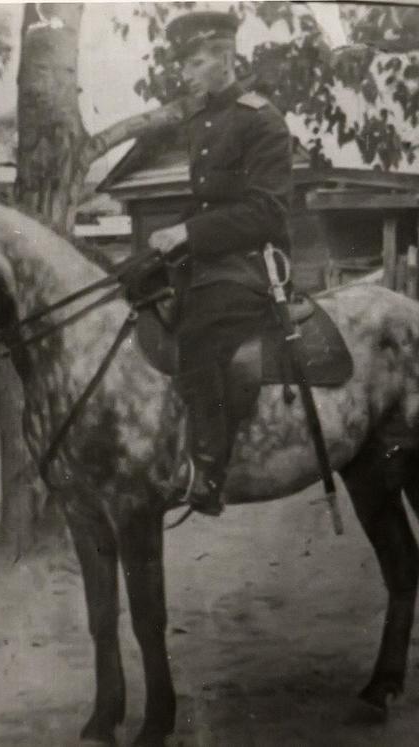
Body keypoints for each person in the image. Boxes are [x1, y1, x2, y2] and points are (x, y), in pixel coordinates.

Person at [148, 11, 293, 516]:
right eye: (183, 61)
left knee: (199, 334)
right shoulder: (201, 121)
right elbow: (209, 203)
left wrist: (186, 232)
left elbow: (265, 211)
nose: (184, 72)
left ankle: (208, 467)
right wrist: (158, 246)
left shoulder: (262, 119)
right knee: (132, 292)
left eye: (195, 60)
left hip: (249, 265)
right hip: (207, 259)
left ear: (226, 59)